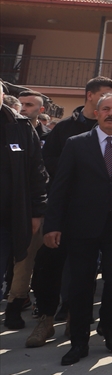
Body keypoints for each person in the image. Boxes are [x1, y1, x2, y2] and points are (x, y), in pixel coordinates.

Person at [42, 91, 112, 365]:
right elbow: (60, 187)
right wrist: (52, 225)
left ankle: (108, 327)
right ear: (97, 112)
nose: (111, 113)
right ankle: (79, 341)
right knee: (81, 284)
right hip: (82, 227)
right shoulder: (76, 144)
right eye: (106, 109)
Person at [26, 75, 112, 348]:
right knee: (50, 265)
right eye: (104, 97)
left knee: (85, 274)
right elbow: (46, 162)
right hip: (66, 210)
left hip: (99, 218)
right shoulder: (66, 129)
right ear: (90, 96)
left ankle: (76, 322)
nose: (109, 106)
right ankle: (46, 319)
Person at [1, 86, 48, 332]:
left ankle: (16, 303)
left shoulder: (23, 129)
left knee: (21, 263)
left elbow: (37, 173)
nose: (25, 107)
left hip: (16, 215)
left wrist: (37, 211)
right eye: (23, 103)